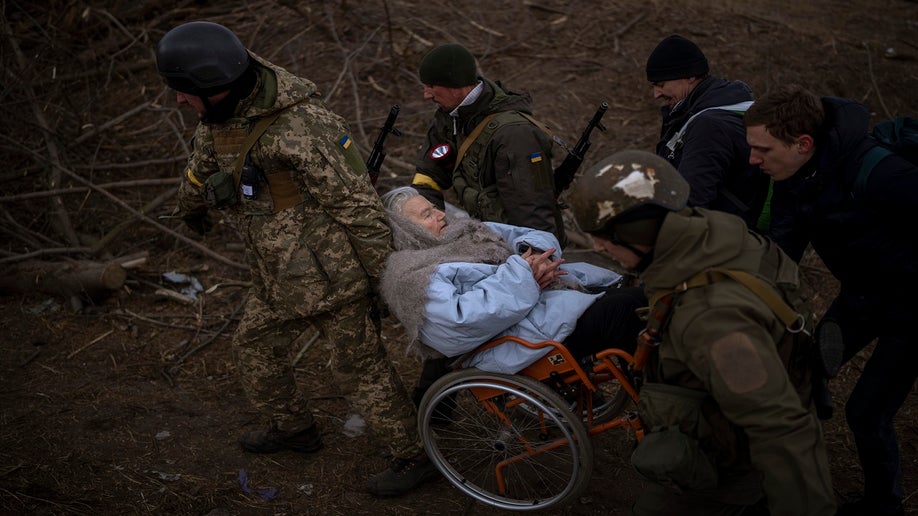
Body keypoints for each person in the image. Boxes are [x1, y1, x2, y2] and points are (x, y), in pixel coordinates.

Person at [155, 21, 435, 497]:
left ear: (213, 86)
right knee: (254, 348)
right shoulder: (220, 120)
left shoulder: (305, 126)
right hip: (275, 276)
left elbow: (359, 208)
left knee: (358, 368)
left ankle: (415, 456)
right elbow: (201, 173)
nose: (178, 101)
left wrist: (384, 278)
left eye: (184, 92)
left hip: (331, 278)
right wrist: (189, 208)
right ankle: (292, 428)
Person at [566, 150, 835, 515]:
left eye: (603, 238)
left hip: (724, 469)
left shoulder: (713, 322)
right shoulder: (717, 233)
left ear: (637, 230)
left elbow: (780, 428)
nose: (597, 247)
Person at [744, 84, 918, 516]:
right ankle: (789, 486)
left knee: (866, 412)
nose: (753, 160)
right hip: (861, 298)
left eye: (763, 149)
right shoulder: (793, 175)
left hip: (912, 314)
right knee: (803, 372)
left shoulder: (883, 174)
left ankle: (884, 505)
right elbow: (783, 248)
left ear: (802, 143)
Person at [379, 186, 645, 375]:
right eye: (427, 215)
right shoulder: (411, 275)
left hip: (546, 308)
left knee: (639, 300)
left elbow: (527, 235)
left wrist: (539, 257)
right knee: (630, 310)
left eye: (435, 208)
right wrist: (525, 273)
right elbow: (459, 322)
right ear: (407, 230)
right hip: (516, 341)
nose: (440, 215)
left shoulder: (463, 231)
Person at [410, 43, 567, 246]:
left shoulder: (514, 134)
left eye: (431, 86)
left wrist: (537, 257)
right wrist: (428, 229)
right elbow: (428, 176)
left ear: (455, 83)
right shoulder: (448, 119)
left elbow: (532, 210)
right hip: (485, 240)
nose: (426, 94)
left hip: (522, 246)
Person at [646, 34, 771, 231]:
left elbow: (690, 202)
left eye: (660, 84)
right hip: (736, 238)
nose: (655, 94)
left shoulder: (709, 126)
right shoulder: (718, 106)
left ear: (690, 76)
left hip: (721, 244)